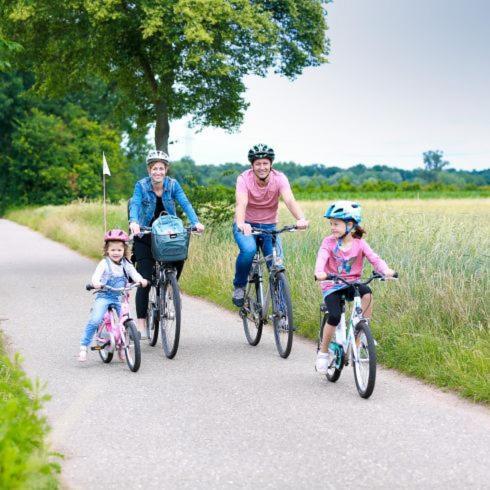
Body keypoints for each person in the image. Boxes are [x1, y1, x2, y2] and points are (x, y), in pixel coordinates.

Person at [128, 149, 205, 337]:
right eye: (154, 168)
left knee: (180, 256)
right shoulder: (141, 185)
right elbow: (135, 204)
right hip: (145, 234)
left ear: (166, 170)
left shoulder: (173, 185)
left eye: (161, 168)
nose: (158, 172)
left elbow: (185, 203)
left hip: (168, 233)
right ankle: (142, 325)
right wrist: (133, 222)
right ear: (149, 170)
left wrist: (195, 222)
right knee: (144, 279)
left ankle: (170, 285)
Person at [314, 201, 395, 374]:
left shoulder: (360, 244)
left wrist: (386, 270)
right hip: (332, 284)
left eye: (336, 224)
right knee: (334, 316)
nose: (332, 228)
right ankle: (323, 352)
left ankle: (362, 332)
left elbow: (375, 259)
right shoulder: (328, 243)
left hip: (352, 282)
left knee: (368, 294)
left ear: (350, 225)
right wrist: (319, 272)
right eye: (331, 224)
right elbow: (321, 258)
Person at [232, 143, 309, 307]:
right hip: (246, 225)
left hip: (269, 228)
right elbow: (241, 203)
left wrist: (301, 218)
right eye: (258, 164)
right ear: (252, 165)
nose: (262, 167)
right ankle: (239, 286)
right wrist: (240, 223)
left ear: (271, 164)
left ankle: (282, 315)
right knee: (249, 250)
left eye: (265, 163)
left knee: (276, 265)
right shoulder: (243, 179)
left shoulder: (279, 178)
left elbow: (289, 199)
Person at [79, 229, 148, 362]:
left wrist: (141, 280)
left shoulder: (126, 264)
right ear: (107, 250)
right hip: (104, 296)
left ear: (124, 250)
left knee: (126, 320)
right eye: (113, 250)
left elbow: (134, 274)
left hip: (119, 297)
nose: (116, 253)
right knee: (95, 320)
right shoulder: (104, 263)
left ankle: (122, 346)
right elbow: (96, 276)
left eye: (119, 250)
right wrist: (96, 283)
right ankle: (83, 346)